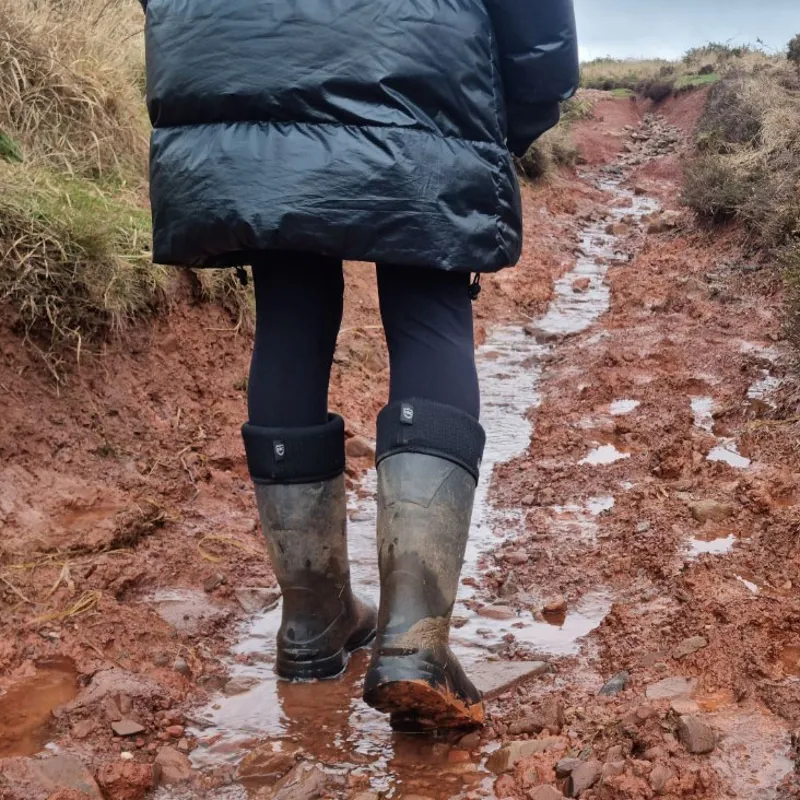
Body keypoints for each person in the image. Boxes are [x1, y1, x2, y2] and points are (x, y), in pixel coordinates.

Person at [141, 0, 578, 731]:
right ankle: (412, 641)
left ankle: (311, 624)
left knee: (289, 302)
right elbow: (539, 34)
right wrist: (506, 120)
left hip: (241, 76)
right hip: (422, 73)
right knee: (429, 297)